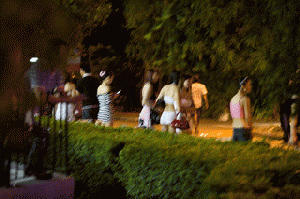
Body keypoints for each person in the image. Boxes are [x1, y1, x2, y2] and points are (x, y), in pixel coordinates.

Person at [229, 76, 253, 141]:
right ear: (243, 86)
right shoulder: (245, 99)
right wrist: (250, 129)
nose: (251, 87)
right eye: (249, 84)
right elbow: (248, 116)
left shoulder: (233, 99)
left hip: (235, 130)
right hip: (244, 130)